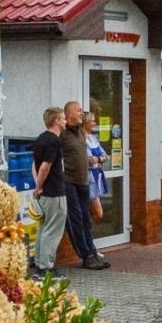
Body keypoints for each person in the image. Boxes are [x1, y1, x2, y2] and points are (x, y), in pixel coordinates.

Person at [60, 100, 107, 269]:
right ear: (69, 114)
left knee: (86, 218)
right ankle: (85, 256)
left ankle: (92, 251)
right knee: (76, 219)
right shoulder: (63, 133)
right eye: (79, 111)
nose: (82, 113)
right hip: (69, 182)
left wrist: (97, 159)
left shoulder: (80, 132)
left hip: (83, 181)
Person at [30, 106, 69, 275]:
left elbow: (35, 165)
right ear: (56, 121)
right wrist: (39, 186)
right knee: (53, 229)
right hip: (54, 192)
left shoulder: (40, 139)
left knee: (43, 227)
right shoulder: (54, 141)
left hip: (44, 192)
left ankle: (39, 262)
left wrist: (37, 187)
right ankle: (46, 267)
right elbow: (45, 166)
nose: (65, 121)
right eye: (63, 118)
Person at [83, 111, 109, 220]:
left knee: (92, 213)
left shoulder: (93, 138)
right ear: (85, 122)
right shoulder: (80, 139)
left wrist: (98, 159)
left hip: (96, 177)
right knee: (98, 213)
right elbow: (88, 160)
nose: (94, 123)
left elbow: (106, 157)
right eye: (92, 121)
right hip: (87, 178)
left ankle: (87, 233)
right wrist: (97, 161)